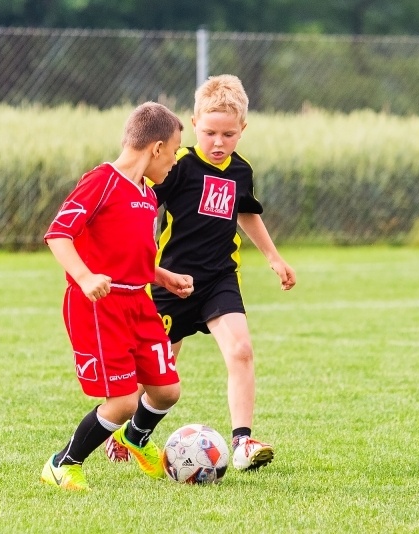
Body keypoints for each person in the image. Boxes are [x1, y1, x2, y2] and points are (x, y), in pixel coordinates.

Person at [105, 74, 297, 471]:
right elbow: (141, 205)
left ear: (242, 130)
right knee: (155, 376)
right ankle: (129, 434)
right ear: (194, 126)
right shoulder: (178, 167)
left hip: (219, 280)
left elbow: (246, 211)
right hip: (170, 283)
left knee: (241, 350)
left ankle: (243, 442)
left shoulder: (241, 171)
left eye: (228, 134)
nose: (218, 142)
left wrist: (274, 257)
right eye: (210, 132)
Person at [40, 102, 194, 491]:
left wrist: (163, 277)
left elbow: (130, 254)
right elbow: (58, 234)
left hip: (138, 302)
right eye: (175, 152)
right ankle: (62, 464)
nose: (175, 162)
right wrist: (85, 276)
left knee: (166, 391)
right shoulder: (101, 181)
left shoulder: (145, 195)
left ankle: (135, 438)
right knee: (123, 401)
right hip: (97, 306)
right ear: (156, 148)